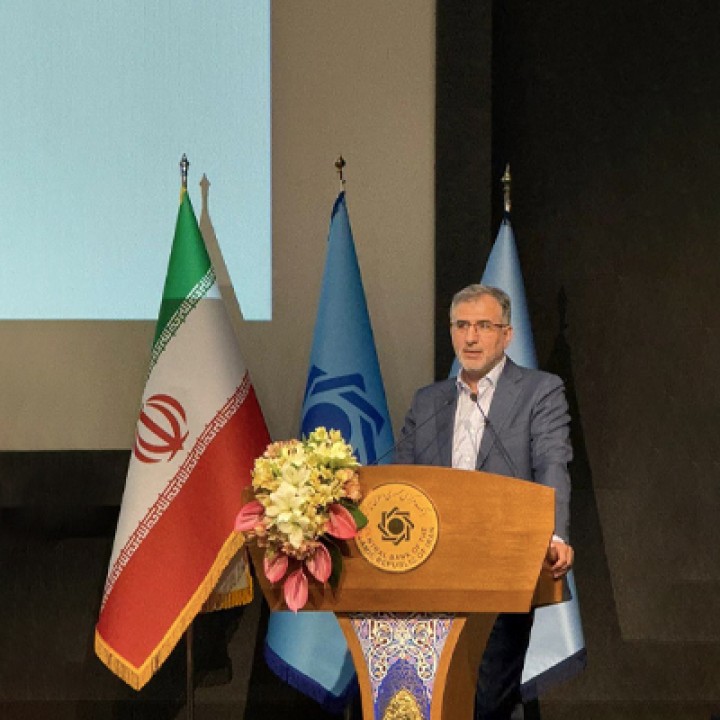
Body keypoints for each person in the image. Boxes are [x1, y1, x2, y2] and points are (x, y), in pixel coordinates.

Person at [395, 283, 574, 720]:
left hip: (503, 569)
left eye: (483, 326)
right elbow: (400, 481)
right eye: (461, 325)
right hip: (430, 574)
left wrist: (554, 535)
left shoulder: (540, 391)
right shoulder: (428, 400)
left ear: (507, 335)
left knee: (488, 700)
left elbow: (552, 463)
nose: (471, 337)